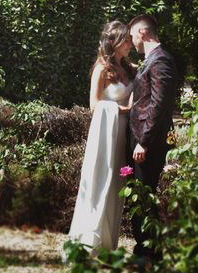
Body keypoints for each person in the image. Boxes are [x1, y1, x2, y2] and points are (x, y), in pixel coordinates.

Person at [67, 21, 136, 252]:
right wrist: (122, 110)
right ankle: (89, 240)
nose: (130, 44)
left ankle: (108, 243)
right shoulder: (101, 69)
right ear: (114, 42)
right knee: (101, 180)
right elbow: (94, 106)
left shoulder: (130, 68)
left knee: (117, 183)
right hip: (106, 133)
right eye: (126, 40)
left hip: (124, 134)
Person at [127, 14, 178, 258]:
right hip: (141, 140)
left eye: (132, 36)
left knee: (142, 198)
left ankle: (147, 254)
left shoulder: (160, 61)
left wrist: (143, 142)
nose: (131, 42)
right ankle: (147, 251)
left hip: (148, 142)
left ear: (142, 33)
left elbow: (158, 105)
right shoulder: (151, 60)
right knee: (139, 197)